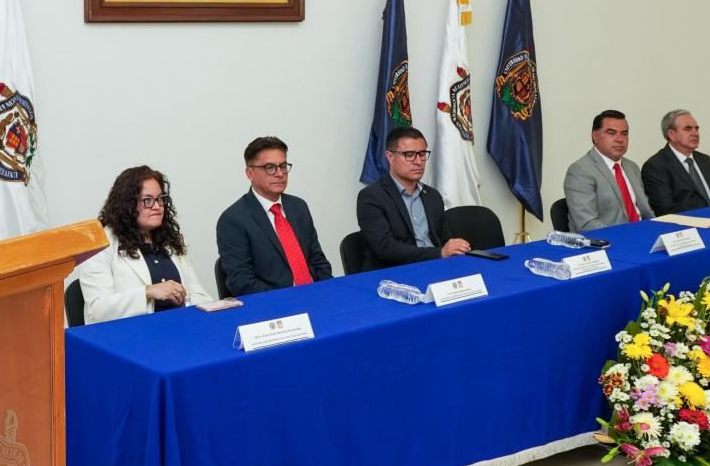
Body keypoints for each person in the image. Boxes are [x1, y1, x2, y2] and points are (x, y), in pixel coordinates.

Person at [77, 165, 214, 322]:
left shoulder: (171, 239)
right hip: (129, 335)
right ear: (127, 205)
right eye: (147, 200)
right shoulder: (98, 244)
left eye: (160, 199)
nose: (157, 206)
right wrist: (147, 292)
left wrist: (189, 302)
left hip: (179, 326)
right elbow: (97, 311)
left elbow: (200, 295)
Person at [216, 136, 333, 295]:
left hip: (316, 295)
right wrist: (288, 299)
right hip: (275, 305)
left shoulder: (298, 206)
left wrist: (329, 291)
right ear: (250, 173)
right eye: (269, 167)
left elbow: (318, 261)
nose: (279, 174)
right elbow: (241, 282)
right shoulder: (233, 220)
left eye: (283, 166)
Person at [357, 125, 470, 267]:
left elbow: (443, 239)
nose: (418, 162)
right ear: (390, 157)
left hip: (436, 267)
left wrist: (456, 248)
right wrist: (438, 253)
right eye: (409, 155)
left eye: (422, 154)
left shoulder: (432, 196)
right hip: (395, 273)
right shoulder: (371, 197)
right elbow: (385, 248)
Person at [563, 110, 653, 232]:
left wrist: (654, 231)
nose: (619, 139)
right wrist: (630, 238)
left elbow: (646, 213)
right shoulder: (580, 171)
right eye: (611, 133)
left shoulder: (632, 167)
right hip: (609, 243)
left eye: (624, 133)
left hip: (642, 235)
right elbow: (587, 225)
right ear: (595, 136)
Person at [640, 110, 710, 216]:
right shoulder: (656, 166)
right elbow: (665, 210)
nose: (695, 133)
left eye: (696, 128)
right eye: (687, 129)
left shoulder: (705, 160)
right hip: (691, 224)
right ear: (671, 134)